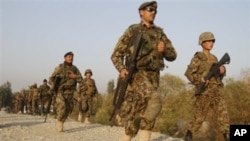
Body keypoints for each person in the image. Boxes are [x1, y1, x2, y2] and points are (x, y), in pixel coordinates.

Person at [111, 1, 177, 141]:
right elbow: (116, 54)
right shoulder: (133, 30)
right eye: (150, 9)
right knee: (155, 100)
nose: (153, 12)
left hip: (153, 76)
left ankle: (128, 137)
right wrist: (122, 69)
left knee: (142, 110)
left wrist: (164, 50)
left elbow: (173, 55)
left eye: (155, 11)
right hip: (136, 74)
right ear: (141, 12)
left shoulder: (159, 33)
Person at [184, 32, 230, 141]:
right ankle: (189, 134)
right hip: (205, 90)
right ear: (202, 43)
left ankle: (226, 135)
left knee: (223, 114)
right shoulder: (198, 58)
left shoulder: (214, 58)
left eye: (212, 41)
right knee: (200, 115)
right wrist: (200, 79)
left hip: (216, 89)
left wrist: (222, 71)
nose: (211, 43)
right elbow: (189, 73)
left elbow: (218, 76)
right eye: (208, 41)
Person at [49, 51, 83, 132]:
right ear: (65, 58)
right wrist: (53, 85)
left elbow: (81, 79)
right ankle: (60, 122)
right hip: (61, 91)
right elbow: (51, 79)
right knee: (62, 106)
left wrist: (74, 76)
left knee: (68, 109)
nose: (70, 58)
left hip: (71, 91)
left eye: (72, 57)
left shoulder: (75, 69)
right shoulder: (60, 68)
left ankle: (62, 121)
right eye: (69, 56)